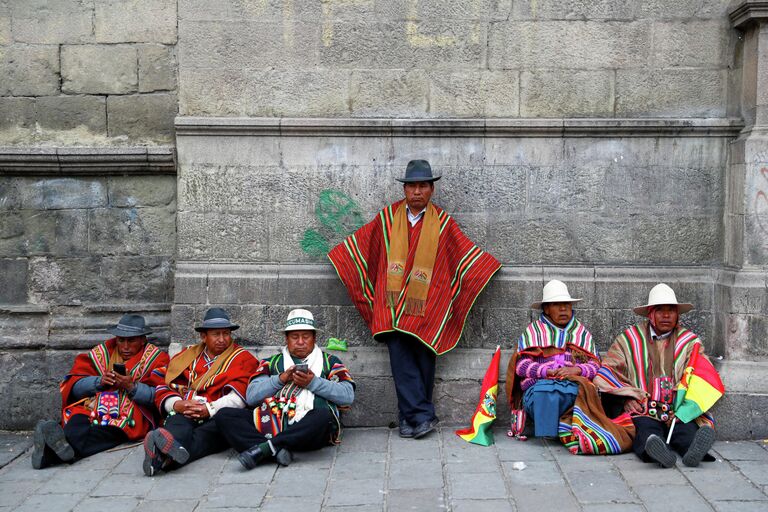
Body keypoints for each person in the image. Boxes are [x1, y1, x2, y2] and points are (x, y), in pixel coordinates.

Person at [329, 160, 500, 439]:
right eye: (412, 186)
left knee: (423, 359)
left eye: (423, 186)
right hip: (393, 304)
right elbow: (365, 246)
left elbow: (461, 255)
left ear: (431, 190)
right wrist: (341, 256)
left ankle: (408, 418)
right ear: (405, 189)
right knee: (401, 359)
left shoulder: (443, 223)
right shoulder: (387, 218)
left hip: (426, 305)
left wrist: (485, 267)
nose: (417, 191)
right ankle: (422, 416)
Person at [595, 283, 718, 467]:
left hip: (677, 410)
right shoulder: (629, 339)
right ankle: (658, 453)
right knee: (646, 431)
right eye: (660, 310)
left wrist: (685, 407)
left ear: (678, 315)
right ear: (651, 314)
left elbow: (701, 374)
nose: (666, 315)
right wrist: (627, 398)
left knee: (686, 431)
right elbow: (607, 372)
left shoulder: (690, 343)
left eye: (671, 311)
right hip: (644, 408)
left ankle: (693, 450)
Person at [505, 280, 634, 454]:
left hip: (572, 388)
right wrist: (546, 371)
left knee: (580, 393)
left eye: (567, 304)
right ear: (546, 309)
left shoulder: (581, 333)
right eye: (557, 305)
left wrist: (577, 370)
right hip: (540, 389)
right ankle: (554, 430)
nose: (564, 309)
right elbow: (521, 366)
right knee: (545, 391)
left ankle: (570, 428)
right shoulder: (533, 332)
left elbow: (595, 365)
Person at [215, 309, 355, 468]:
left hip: (308, 430)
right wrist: (280, 379)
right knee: (224, 415)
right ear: (286, 339)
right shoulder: (271, 363)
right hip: (269, 423)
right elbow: (252, 396)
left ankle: (264, 448)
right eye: (295, 337)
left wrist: (312, 383)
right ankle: (277, 449)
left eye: (306, 337)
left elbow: (347, 396)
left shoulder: (330, 361)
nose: (300, 342)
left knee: (323, 416)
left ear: (314, 338)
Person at [32, 314, 168, 469]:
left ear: (143, 340)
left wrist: (132, 387)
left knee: (104, 432)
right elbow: (74, 386)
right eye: (121, 340)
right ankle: (56, 451)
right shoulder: (102, 353)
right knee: (76, 419)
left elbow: (159, 395)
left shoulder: (158, 359)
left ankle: (48, 454)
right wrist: (98, 382)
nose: (125, 346)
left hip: (128, 413)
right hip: (92, 406)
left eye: (131, 340)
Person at [142, 307, 259, 476]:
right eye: (216, 334)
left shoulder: (242, 359)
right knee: (177, 423)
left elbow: (239, 397)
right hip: (186, 410)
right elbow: (164, 383)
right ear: (203, 336)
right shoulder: (187, 356)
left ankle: (162, 458)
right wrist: (177, 404)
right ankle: (167, 452)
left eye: (226, 334)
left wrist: (208, 409)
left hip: (216, 414)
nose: (222, 339)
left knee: (208, 436)